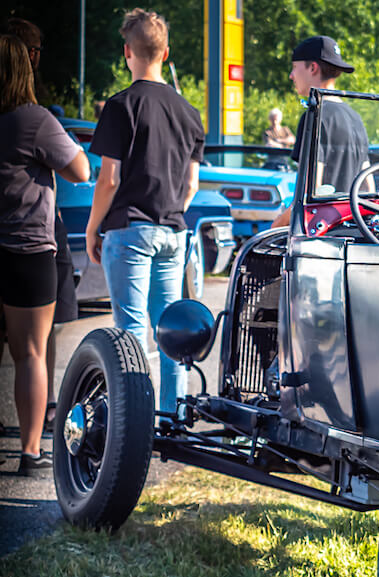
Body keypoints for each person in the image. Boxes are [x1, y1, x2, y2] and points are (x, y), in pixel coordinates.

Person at [86, 8, 205, 410]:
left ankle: (135, 420)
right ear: (166, 53)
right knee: (169, 330)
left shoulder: (120, 107)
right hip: (174, 230)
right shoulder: (190, 113)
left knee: (130, 330)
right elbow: (191, 185)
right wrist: (171, 210)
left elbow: (109, 181)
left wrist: (92, 228)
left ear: (127, 53)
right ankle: (171, 415)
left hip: (130, 229)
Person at [0, 35, 89, 475]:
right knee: (31, 353)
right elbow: (80, 168)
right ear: (25, 69)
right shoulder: (32, 119)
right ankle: (30, 452)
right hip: (27, 249)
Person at [271, 35, 369, 227]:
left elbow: (308, 195)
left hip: (321, 235)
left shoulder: (315, 115)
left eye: (295, 68)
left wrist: (274, 228)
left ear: (313, 68)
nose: (291, 75)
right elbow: (367, 186)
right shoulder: (355, 118)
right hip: (353, 231)